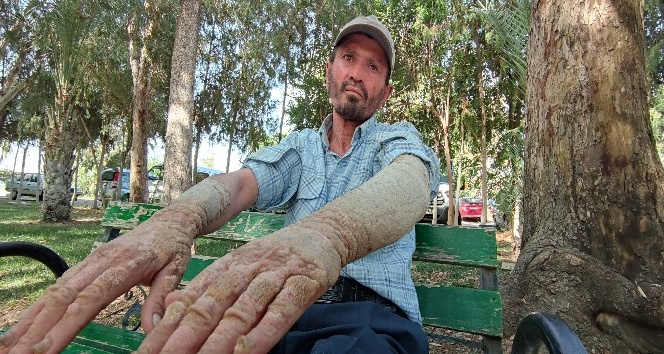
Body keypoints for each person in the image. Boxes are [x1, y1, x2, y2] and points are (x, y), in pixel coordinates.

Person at [1, 15, 440, 354]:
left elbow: (412, 180)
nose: (357, 73)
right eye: (348, 58)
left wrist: (331, 236)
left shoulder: (394, 138)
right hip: (278, 314)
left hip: (372, 320)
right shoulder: (303, 149)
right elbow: (240, 185)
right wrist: (180, 218)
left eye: (373, 66)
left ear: (384, 91)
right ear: (329, 70)